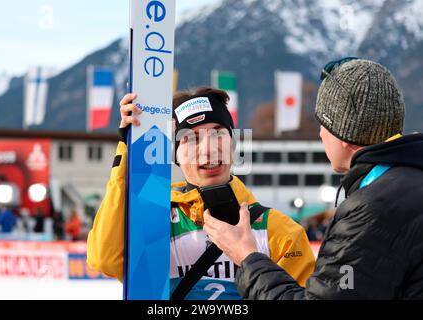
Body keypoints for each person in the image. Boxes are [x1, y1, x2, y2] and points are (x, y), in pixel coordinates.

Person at [203, 59, 423, 299]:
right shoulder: (407, 180)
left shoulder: (373, 209)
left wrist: (246, 256)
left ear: (343, 134)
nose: (319, 133)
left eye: (322, 124)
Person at [87, 87, 316, 300]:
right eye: (191, 138)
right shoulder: (156, 220)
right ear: (174, 154)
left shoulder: (280, 231)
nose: (208, 149)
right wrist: (129, 151)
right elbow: (105, 260)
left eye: (218, 134)